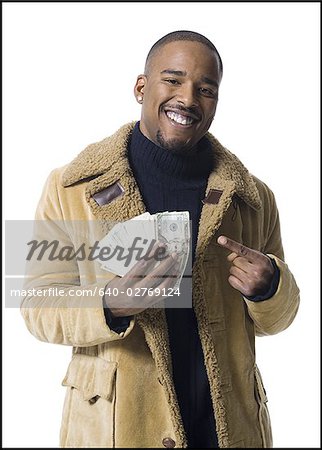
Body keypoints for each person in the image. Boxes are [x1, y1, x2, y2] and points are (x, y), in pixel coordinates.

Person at [21, 30, 300, 448]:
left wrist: (271, 287)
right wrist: (109, 303)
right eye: (173, 80)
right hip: (117, 428)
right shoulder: (71, 188)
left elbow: (279, 320)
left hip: (226, 427)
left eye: (205, 89)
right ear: (140, 87)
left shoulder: (253, 199)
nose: (188, 99)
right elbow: (37, 305)